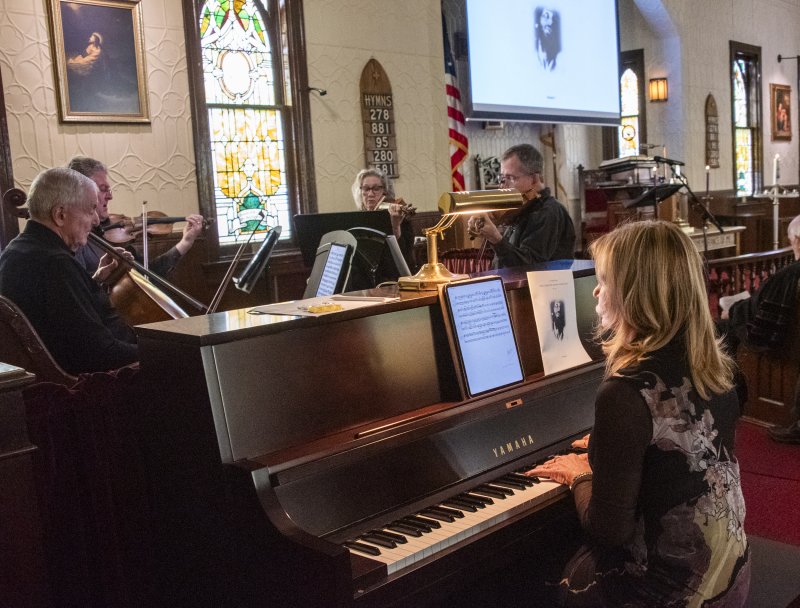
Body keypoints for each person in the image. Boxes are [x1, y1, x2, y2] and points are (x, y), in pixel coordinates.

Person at [528, 220, 750, 607]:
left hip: (671, 593)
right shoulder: (715, 367)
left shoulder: (625, 392)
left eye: (604, 280)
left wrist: (581, 475)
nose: (595, 292)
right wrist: (608, 446)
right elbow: (677, 453)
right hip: (728, 572)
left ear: (635, 294)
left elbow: (609, 530)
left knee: (541, 583)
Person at [0, 167, 138, 375]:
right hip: (88, 389)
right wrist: (160, 351)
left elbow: (60, 312)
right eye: (90, 209)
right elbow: (100, 353)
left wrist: (97, 280)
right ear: (60, 214)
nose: (96, 220)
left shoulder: (17, 249)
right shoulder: (54, 262)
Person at [720, 215, 800, 443]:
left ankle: (730, 397)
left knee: (722, 328)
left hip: (785, 344)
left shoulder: (790, 274)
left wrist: (733, 310)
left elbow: (759, 313)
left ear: (796, 240)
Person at [68, 156, 204, 279]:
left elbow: (149, 274)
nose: (110, 196)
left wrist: (185, 242)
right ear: (82, 192)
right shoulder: (73, 241)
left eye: (109, 190)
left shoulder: (113, 236)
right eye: (103, 189)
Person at [466, 144, 575, 268]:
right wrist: (486, 232)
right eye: (502, 178)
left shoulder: (548, 212)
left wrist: (496, 238)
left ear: (534, 179)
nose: (503, 186)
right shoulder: (521, 209)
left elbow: (528, 267)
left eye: (510, 178)